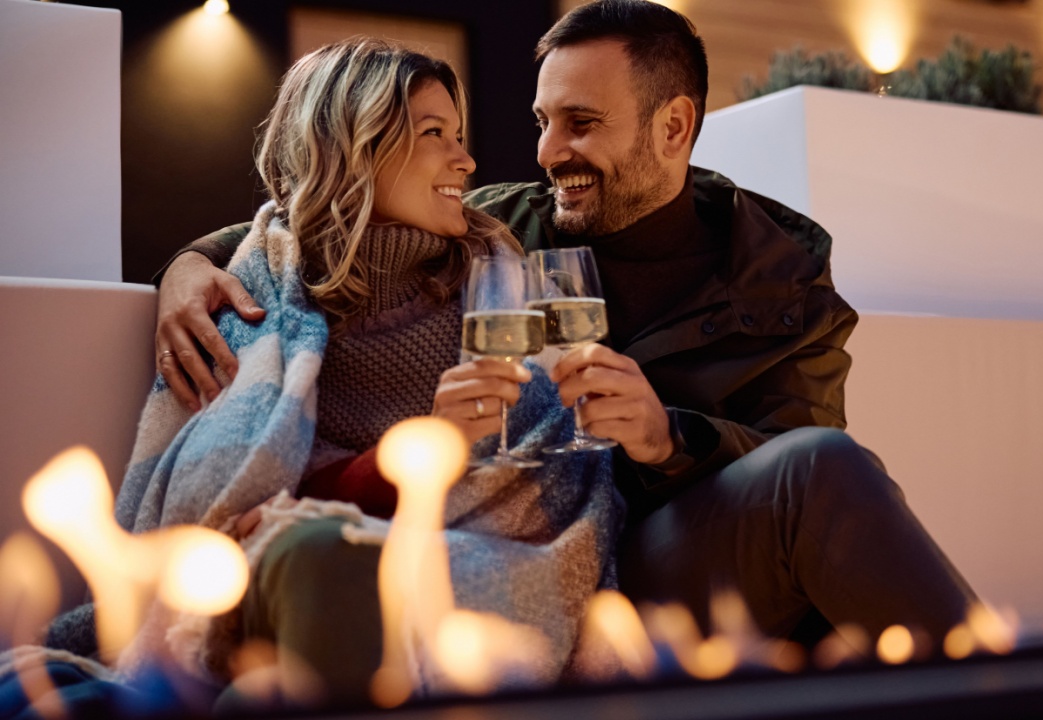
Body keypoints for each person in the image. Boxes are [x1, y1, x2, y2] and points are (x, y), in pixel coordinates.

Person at [152, 0, 974, 647]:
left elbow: (800, 451)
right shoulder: (501, 225)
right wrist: (187, 263)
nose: (547, 152)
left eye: (580, 123)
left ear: (674, 126)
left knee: (824, 464)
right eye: (543, 121)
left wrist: (668, 439)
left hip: (671, 555)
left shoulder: (779, 274)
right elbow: (330, 211)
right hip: (546, 550)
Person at [42, 38, 621, 709]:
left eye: (458, 135)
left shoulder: (500, 276)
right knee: (316, 558)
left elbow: (550, 474)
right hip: (293, 575)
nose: (465, 160)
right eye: (434, 134)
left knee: (321, 577)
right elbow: (233, 503)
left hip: (475, 564)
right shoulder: (261, 292)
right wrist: (410, 457)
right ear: (352, 147)